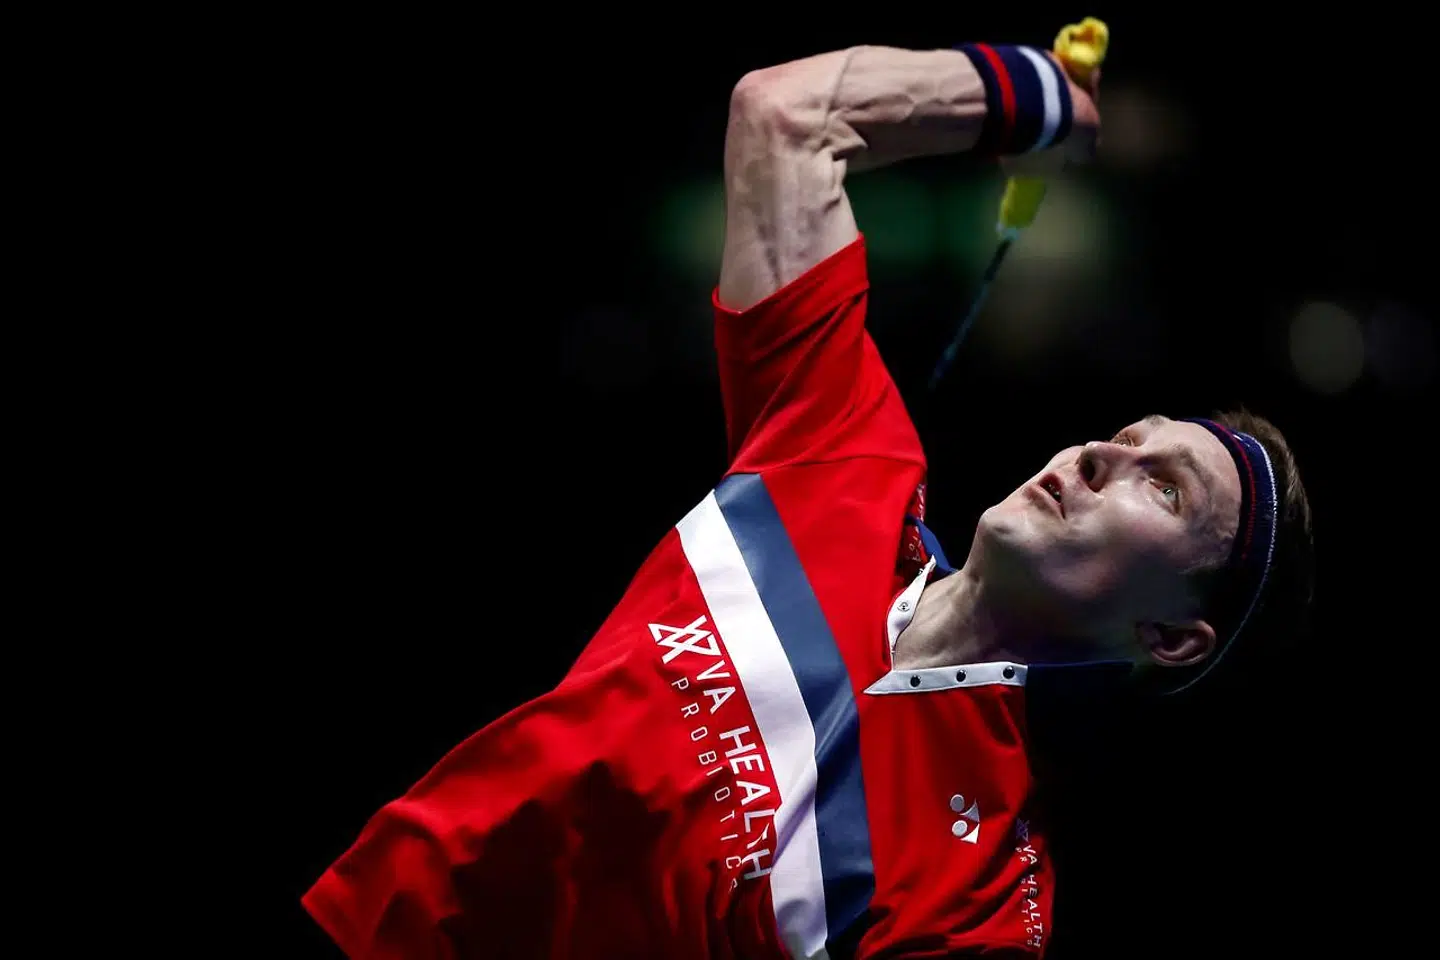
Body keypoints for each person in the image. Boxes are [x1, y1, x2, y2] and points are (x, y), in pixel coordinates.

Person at [302, 32, 1314, 960]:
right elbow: (786, 120)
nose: (1100, 454)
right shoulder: (849, 457)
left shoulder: (977, 906)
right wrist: (1030, 93)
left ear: (1174, 637)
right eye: (1126, 436)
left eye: (1162, 488)